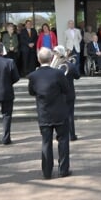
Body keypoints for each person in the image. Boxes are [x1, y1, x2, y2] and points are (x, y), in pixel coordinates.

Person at [29, 47, 73, 179]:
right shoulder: (58, 74)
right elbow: (66, 89)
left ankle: (47, 172)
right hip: (60, 112)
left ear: (38, 59)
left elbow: (31, 92)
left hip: (44, 113)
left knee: (46, 142)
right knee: (63, 141)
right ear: (50, 58)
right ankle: (63, 170)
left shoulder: (33, 75)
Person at [0, 42, 20, 145]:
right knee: (6, 115)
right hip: (6, 91)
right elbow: (16, 77)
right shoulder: (9, 61)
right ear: (2, 51)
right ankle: (6, 138)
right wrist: (7, 82)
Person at [58, 46, 81, 141]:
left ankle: (62, 135)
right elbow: (77, 76)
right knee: (70, 115)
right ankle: (72, 135)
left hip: (59, 94)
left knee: (61, 114)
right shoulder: (70, 66)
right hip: (70, 92)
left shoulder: (56, 67)